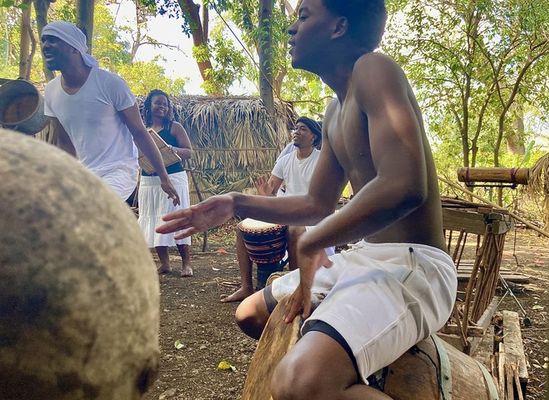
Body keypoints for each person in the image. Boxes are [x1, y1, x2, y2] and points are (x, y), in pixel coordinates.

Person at [157, 1, 457, 399]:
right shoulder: (334, 110)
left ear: (339, 26)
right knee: (250, 315)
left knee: (297, 383)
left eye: (303, 16)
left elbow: (405, 185)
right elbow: (316, 203)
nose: (290, 30)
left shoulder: (374, 69)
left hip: (413, 264)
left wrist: (313, 241)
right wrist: (236, 202)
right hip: (366, 257)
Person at [41, 21, 180, 205]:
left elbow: (139, 132)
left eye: (53, 40)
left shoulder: (110, 84)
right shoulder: (51, 92)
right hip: (84, 173)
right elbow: (64, 142)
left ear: (74, 48)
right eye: (43, 41)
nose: (45, 46)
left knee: (94, 208)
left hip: (119, 170)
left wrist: (163, 176)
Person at [221, 117, 327, 303]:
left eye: (303, 129)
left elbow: (322, 199)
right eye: (295, 128)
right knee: (242, 228)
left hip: (311, 215)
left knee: (295, 230)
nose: (296, 132)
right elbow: (271, 192)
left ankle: (295, 286)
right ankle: (246, 287)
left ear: (314, 137)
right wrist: (265, 195)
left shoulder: (321, 160)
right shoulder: (285, 161)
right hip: (286, 211)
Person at [138, 89, 193, 277]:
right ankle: (165, 263)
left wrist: (172, 149)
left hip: (174, 178)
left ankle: (186, 264)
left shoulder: (174, 127)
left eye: (165, 104)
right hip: (148, 180)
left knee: (178, 218)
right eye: (158, 103)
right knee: (154, 218)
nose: (162, 107)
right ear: (149, 106)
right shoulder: (142, 130)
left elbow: (188, 151)